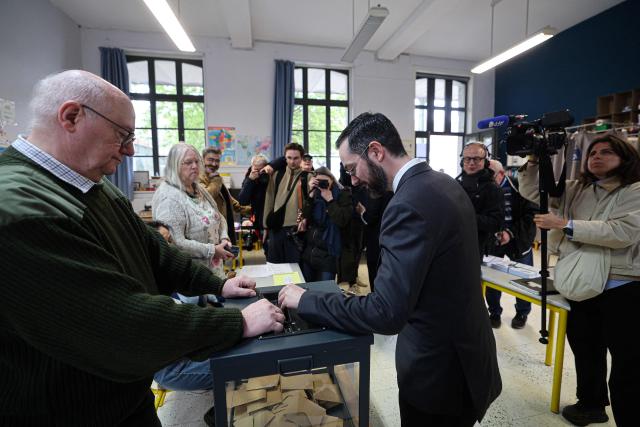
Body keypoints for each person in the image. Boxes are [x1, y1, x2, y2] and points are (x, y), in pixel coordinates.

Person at [0, 70, 284, 426]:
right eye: (123, 135)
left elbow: (154, 250)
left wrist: (217, 284)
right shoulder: (18, 207)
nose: (131, 149)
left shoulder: (91, 185)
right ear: (71, 117)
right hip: (65, 409)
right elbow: (115, 321)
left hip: (122, 397)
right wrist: (236, 322)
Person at [278, 112, 501, 426]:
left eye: (353, 168)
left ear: (376, 151)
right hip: (466, 356)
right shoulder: (442, 182)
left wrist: (307, 301)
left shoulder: (408, 203)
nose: (353, 179)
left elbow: (385, 311)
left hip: (438, 373)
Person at [519, 134, 640, 427]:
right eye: (592, 153)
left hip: (622, 287)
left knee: (627, 364)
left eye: (606, 152)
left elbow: (623, 232)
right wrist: (536, 158)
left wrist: (566, 225)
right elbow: (535, 191)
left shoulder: (634, 190)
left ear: (625, 158)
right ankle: (591, 405)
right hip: (582, 284)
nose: (596, 156)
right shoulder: (578, 188)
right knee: (586, 351)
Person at [152, 143, 233, 279]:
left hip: (212, 272)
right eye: (188, 162)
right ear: (174, 165)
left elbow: (218, 216)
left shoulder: (197, 187)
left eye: (196, 161)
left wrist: (224, 237)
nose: (195, 166)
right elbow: (176, 243)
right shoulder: (169, 197)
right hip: (190, 278)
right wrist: (213, 250)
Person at [486, 159, 538, 329]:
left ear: (501, 174)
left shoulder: (520, 187)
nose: (486, 177)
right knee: (492, 279)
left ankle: (522, 312)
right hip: (495, 240)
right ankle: (494, 312)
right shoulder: (485, 188)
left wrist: (511, 233)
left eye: (490, 174)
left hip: (519, 239)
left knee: (523, 279)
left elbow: (531, 215)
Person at [299, 166, 352, 281]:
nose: (322, 185)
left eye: (325, 181)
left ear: (332, 180)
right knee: (308, 288)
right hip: (310, 252)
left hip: (329, 253)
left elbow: (342, 220)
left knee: (326, 291)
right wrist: (310, 195)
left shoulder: (343, 194)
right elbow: (306, 216)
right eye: (319, 182)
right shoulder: (315, 194)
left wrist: (330, 200)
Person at [262, 142, 309, 263]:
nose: (292, 161)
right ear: (285, 158)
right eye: (289, 158)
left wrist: (306, 219)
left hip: (295, 230)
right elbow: (269, 200)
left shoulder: (307, 177)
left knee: (294, 268)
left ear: (301, 158)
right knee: (274, 266)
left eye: (296, 158)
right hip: (276, 229)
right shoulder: (276, 175)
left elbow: (310, 203)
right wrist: (266, 226)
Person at [456, 142, 504, 257]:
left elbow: (496, 223)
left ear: (485, 162)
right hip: (456, 246)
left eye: (476, 159)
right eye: (467, 159)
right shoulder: (456, 184)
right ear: (462, 162)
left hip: (479, 250)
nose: (471, 163)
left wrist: (465, 217)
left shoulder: (493, 188)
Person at [200, 146, 251, 244]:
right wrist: (216, 180)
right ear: (202, 159)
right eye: (210, 160)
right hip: (209, 231)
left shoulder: (215, 177)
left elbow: (230, 201)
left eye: (217, 161)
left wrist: (254, 210)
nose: (214, 164)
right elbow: (207, 197)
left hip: (222, 227)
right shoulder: (199, 177)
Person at [237, 154, 270, 249]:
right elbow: (242, 201)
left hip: (271, 219)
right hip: (258, 219)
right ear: (252, 167)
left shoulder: (272, 176)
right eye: (256, 170)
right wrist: (250, 181)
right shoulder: (249, 178)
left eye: (261, 170)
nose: (259, 173)